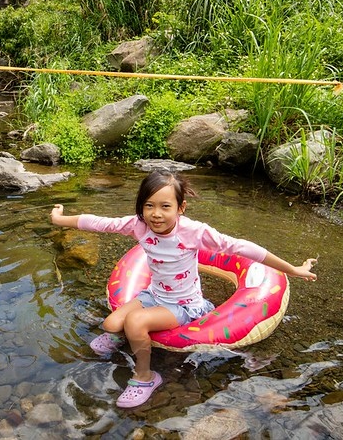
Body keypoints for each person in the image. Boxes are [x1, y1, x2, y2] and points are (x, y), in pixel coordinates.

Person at [50, 169, 317, 408]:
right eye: (149, 205)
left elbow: (241, 247)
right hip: (152, 294)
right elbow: (100, 223)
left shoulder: (193, 232)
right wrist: (61, 220)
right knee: (110, 324)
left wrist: (291, 269)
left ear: (181, 207)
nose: (156, 213)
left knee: (134, 321)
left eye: (165, 206)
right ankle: (125, 338)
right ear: (141, 207)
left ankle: (145, 376)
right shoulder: (138, 226)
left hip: (184, 305)